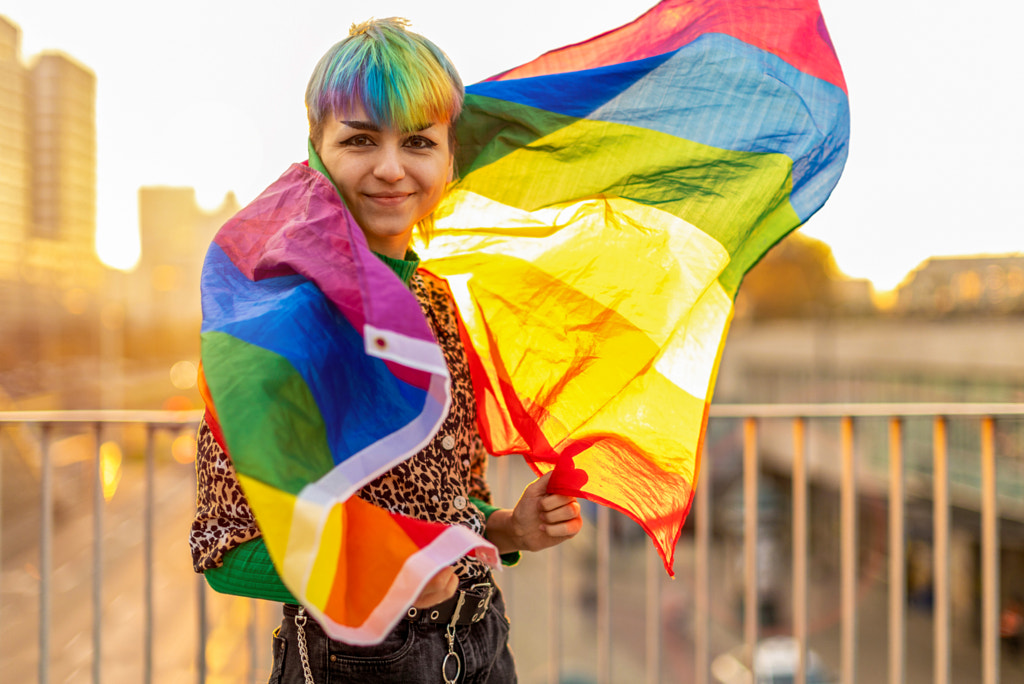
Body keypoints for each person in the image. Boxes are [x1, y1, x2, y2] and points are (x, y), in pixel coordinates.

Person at [190, 18, 583, 684]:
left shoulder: (433, 301)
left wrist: (509, 529)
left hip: (482, 639)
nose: (392, 167)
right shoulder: (285, 318)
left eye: (419, 142)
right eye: (361, 139)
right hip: (362, 663)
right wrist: (393, 569)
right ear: (315, 150)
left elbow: (451, 503)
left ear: (449, 159)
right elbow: (226, 551)